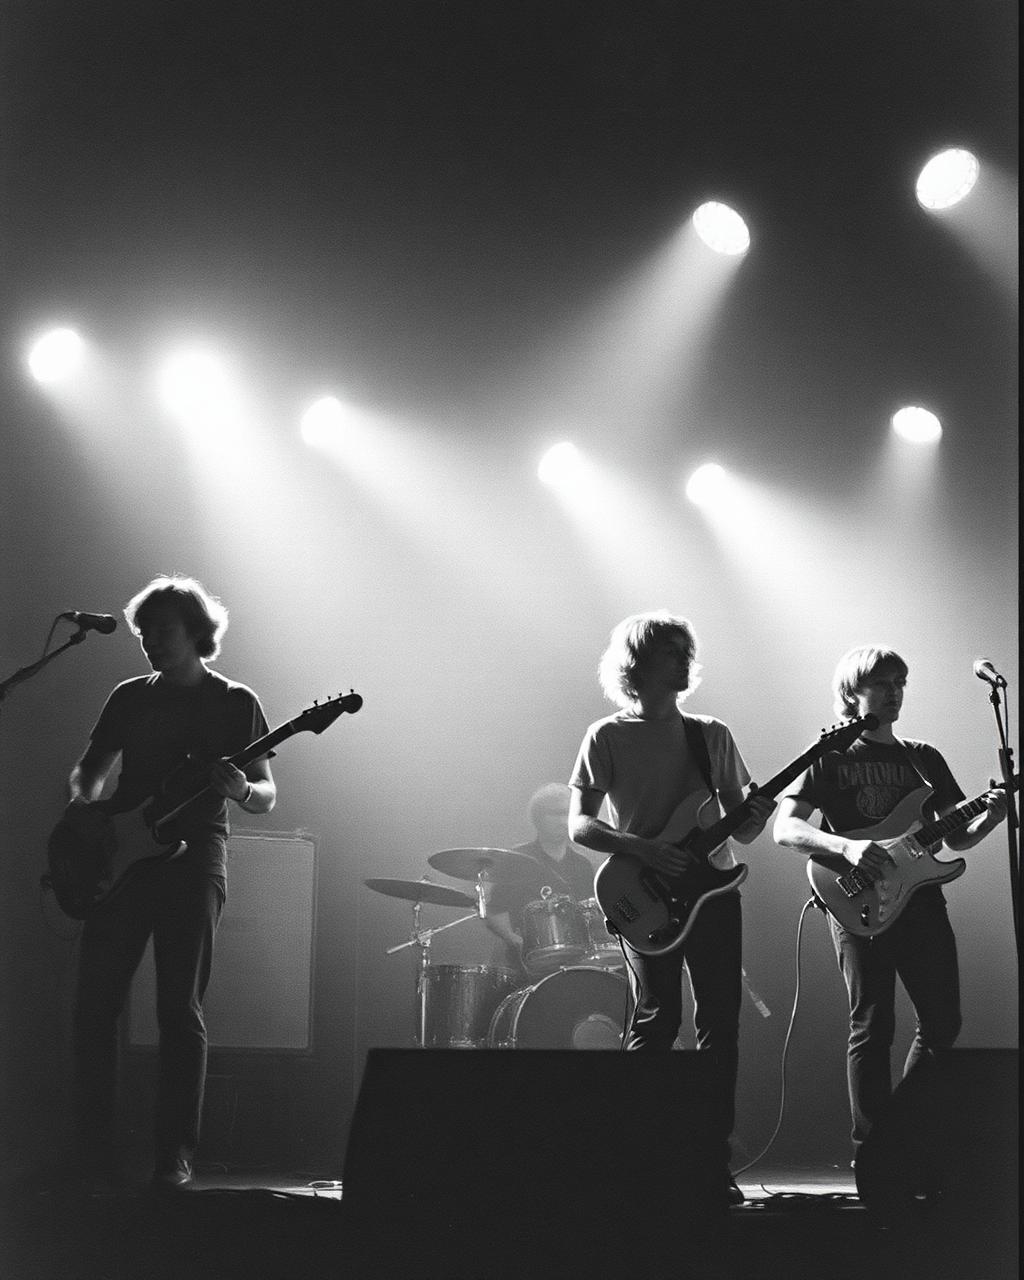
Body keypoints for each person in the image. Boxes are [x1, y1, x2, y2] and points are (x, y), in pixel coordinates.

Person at [62, 575, 276, 1193]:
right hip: (122, 858)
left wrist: (241, 790)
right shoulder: (130, 696)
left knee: (178, 1009)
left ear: (195, 632)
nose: (150, 641)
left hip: (193, 862)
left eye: (162, 630)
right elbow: (90, 770)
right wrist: (83, 804)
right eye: (143, 632)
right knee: (95, 1005)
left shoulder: (236, 701)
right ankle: (92, 1150)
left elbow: (264, 793)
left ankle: (174, 1156)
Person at [567, 610, 775, 1205]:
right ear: (637, 665)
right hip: (641, 894)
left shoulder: (711, 734)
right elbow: (580, 824)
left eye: (687, 652)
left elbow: (746, 827)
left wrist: (757, 813)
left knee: (720, 1025)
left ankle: (711, 1159)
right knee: (657, 1023)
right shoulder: (605, 736)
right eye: (670, 653)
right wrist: (642, 849)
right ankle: (641, 1155)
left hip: (713, 895)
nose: (684, 662)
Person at [772, 645, 1008, 1161]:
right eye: (882, 683)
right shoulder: (830, 756)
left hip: (921, 902)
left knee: (943, 1024)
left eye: (900, 682)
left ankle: (903, 1136)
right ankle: (872, 1153)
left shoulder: (922, 757)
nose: (894, 692)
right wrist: (848, 846)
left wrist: (990, 817)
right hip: (856, 900)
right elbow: (784, 828)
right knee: (873, 1025)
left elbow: (957, 838)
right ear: (851, 693)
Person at [482, 782, 598, 972]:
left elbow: (589, 913)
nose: (562, 821)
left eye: (567, 814)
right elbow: (495, 911)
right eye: (555, 813)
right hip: (526, 963)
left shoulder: (582, 865)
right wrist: (515, 941)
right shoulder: (516, 859)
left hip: (577, 962)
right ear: (538, 818)